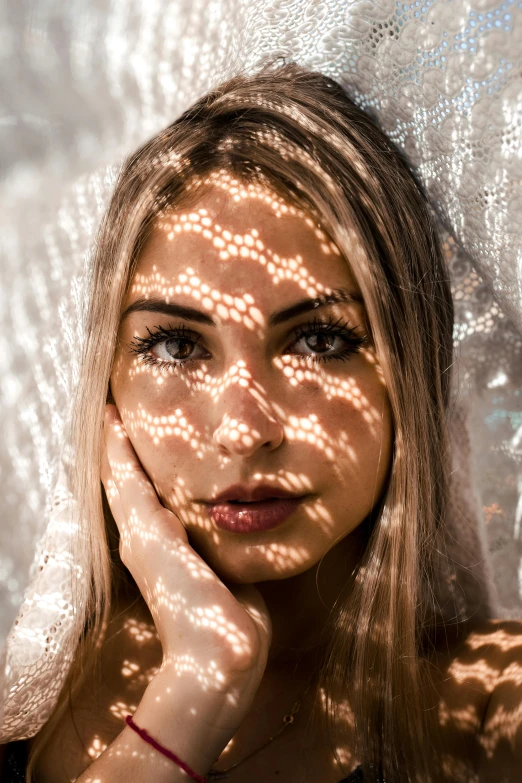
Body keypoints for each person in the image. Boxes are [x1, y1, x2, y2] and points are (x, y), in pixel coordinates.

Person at [2, 61, 521, 783]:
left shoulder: (491, 712)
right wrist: (196, 684)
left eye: (319, 339)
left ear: (411, 365)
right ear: (102, 382)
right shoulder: (25, 687)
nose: (244, 429)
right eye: (177, 345)